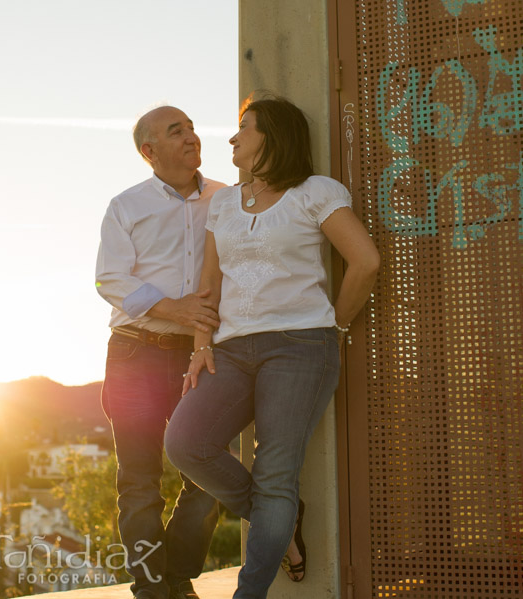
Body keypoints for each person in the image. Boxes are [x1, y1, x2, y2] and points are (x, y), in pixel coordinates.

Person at [164, 96, 380, 599]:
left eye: (245, 128)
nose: (233, 138)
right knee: (185, 443)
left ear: (273, 137)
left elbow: (365, 262)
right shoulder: (223, 204)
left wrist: (335, 325)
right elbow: (209, 288)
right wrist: (201, 345)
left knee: (275, 472)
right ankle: (278, 520)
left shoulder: (315, 193)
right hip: (232, 348)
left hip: (301, 346)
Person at [95, 106, 225, 599]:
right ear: (149, 151)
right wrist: (177, 309)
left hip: (202, 353)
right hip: (135, 354)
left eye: (191, 127)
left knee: (211, 469)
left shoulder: (225, 199)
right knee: (139, 481)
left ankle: (176, 577)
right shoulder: (125, 206)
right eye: (177, 131)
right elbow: (109, 279)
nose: (191, 136)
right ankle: (152, 589)